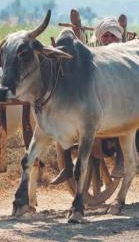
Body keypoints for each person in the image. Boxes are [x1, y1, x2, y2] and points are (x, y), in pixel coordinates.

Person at [51, 17, 125, 185]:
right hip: (95, 99)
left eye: (112, 37)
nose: (108, 40)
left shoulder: (123, 54)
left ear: (119, 38)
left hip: (117, 100)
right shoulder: (91, 54)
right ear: (99, 38)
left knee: (123, 120)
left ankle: (121, 159)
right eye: (105, 37)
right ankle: (67, 166)